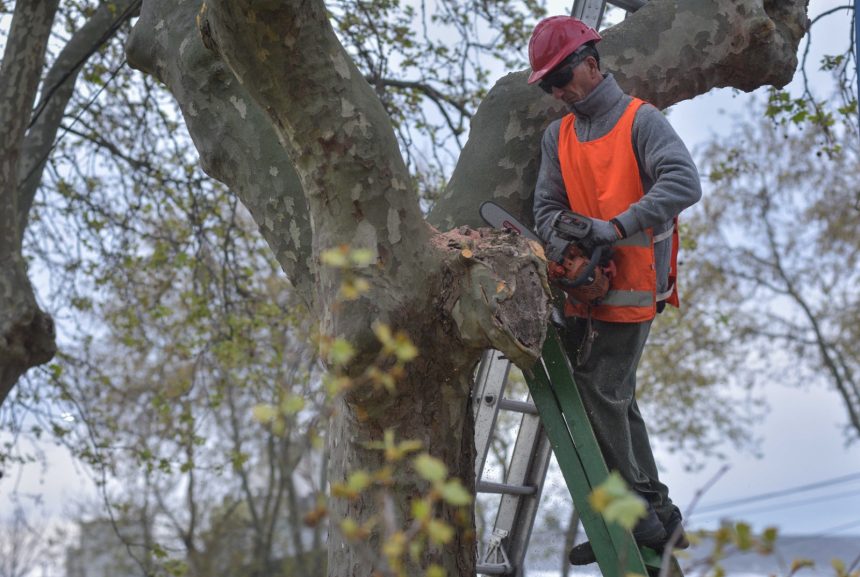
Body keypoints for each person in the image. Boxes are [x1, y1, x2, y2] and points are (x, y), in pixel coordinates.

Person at [528, 15, 702, 565]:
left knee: (598, 388)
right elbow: (547, 209)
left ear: (592, 63)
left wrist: (614, 228)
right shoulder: (557, 135)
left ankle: (635, 515)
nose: (557, 92)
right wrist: (567, 248)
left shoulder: (640, 120)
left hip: (636, 283)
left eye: (562, 78)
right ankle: (656, 514)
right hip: (589, 285)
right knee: (610, 395)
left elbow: (683, 181)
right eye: (549, 85)